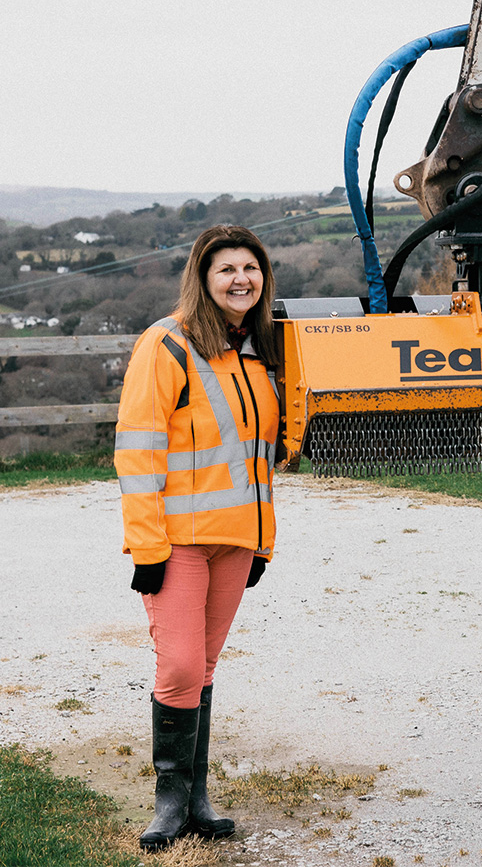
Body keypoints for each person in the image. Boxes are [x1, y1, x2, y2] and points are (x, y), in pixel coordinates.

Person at [114, 224, 281, 850]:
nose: (241, 279)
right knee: (180, 663)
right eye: (226, 269)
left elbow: (260, 457)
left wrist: (262, 542)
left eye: (251, 268)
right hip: (177, 541)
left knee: (204, 668)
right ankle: (169, 799)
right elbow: (137, 450)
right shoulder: (167, 344)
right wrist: (149, 549)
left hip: (237, 539)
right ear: (202, 278)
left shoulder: (260, 349)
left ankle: (196, 797)